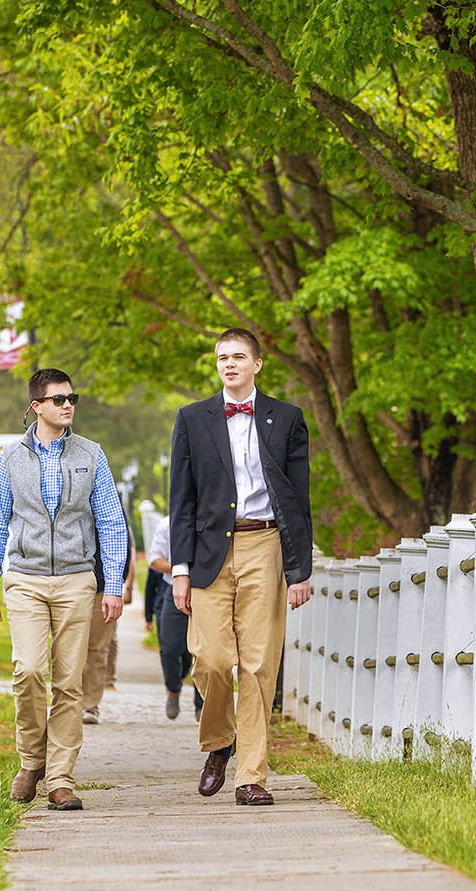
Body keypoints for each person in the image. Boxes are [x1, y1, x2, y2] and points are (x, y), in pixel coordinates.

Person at [169, 328, 313, 806]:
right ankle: (219, 741)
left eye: (238, 357)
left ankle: (252, 775)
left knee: (257, 665)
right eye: (221, 358)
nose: (228, 364)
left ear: (257, 364)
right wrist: (181, 569)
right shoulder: (191, 419)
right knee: (211, 660)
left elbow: (298, 498)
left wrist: (300, 569)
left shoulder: (287, 418)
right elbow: (181, 500)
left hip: (266, 543)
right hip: (210, 550)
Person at [0, 368, 127, 812]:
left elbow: (111, 522)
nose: (67, 405)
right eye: (58, 399)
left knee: (68, 682)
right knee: (27, 670)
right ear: (36, 406)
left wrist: (112, 585)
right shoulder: (10, 458)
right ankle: (31, 760)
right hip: (24, 578)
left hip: (77, 580)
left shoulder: (91, 455)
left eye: (71, 398)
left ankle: (61, 778)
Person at [146, 515, 203, 721]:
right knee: (170, 649)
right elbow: (154, 560)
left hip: (207, 592)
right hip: (175, 590)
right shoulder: (167, 524)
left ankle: (201, 705)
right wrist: (182, 571)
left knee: (204, 653)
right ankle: (173, 689)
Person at [81, 520, 135, 724]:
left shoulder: (107, 494)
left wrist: (117, 586)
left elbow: (122, 542)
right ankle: (68, 701)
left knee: (97, 649)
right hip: (68, 583)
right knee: (68, 647)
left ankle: (89, 705)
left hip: (101, 585)